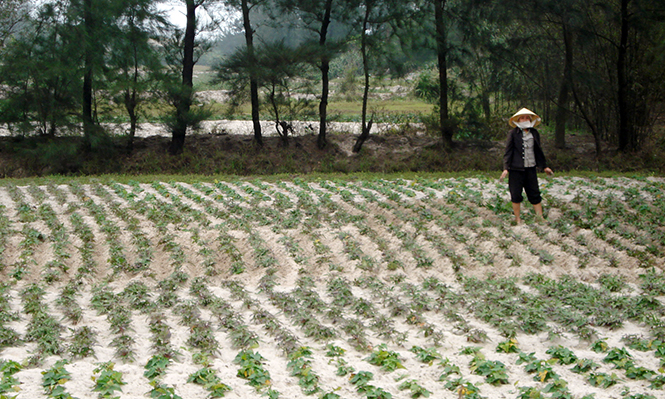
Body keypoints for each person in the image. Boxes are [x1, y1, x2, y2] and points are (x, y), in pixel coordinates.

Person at [500, 108, 553, 224]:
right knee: (516, 193)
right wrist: (506, 168)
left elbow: (538, 151)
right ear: (518, 120)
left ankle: (540, 218)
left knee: (534, 192)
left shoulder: (534, 133)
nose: (525, 120)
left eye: (527, 117)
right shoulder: (513, 134)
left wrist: (544, 166)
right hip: (516, 169)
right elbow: (508, 152)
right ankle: (518, 219)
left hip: (531, 168)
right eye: (522, 118)